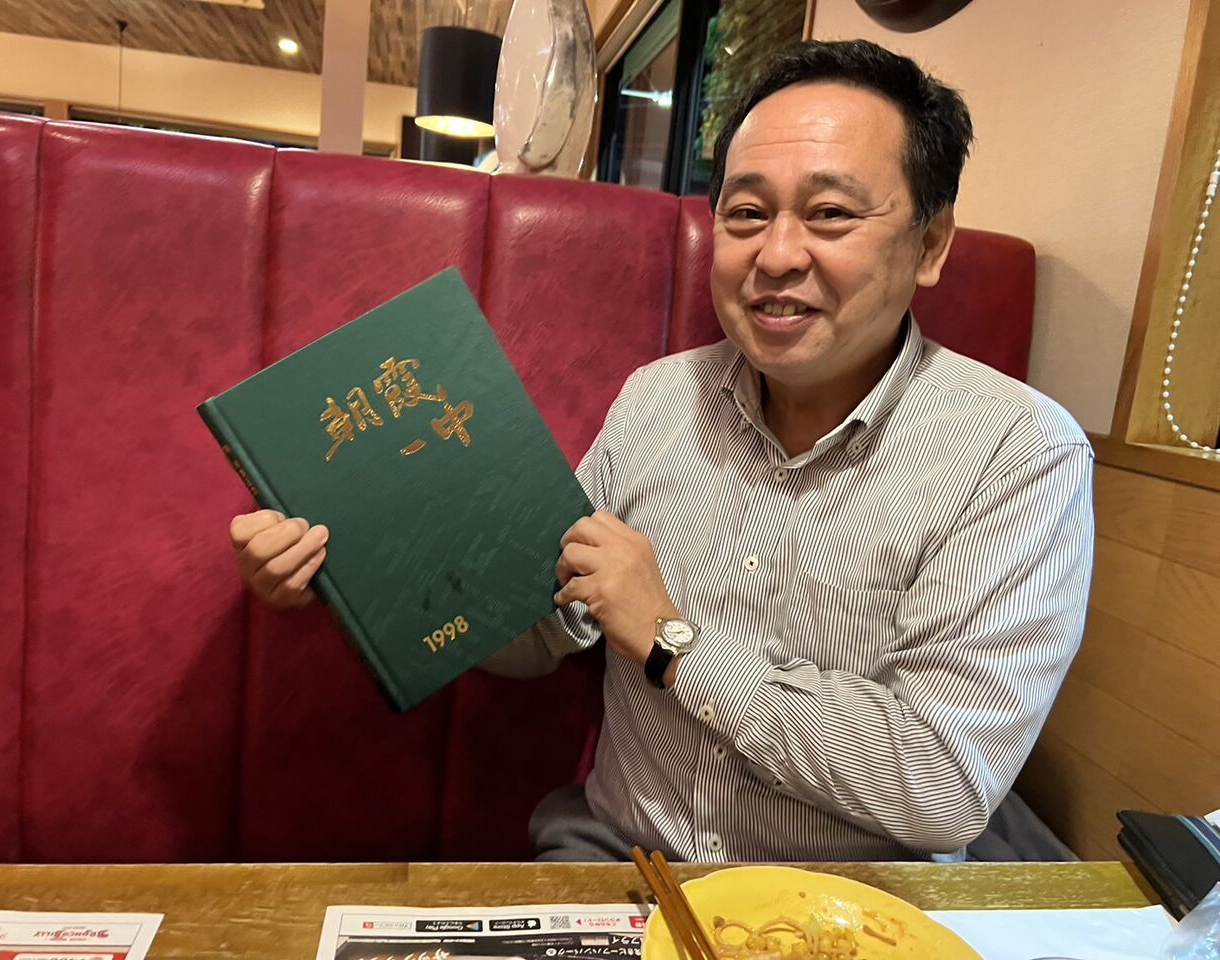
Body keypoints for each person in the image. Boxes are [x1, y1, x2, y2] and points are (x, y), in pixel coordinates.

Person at [228, 39, 1093, 863]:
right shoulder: (656, 401)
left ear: (930, 243)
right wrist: (357, 568)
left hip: (850, 903)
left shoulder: (1017, 454)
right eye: (746, 213)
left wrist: (674, 641)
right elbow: (541, 630)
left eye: (830, 214)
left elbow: (941, 783)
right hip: (619, 861)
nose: (776, 255)